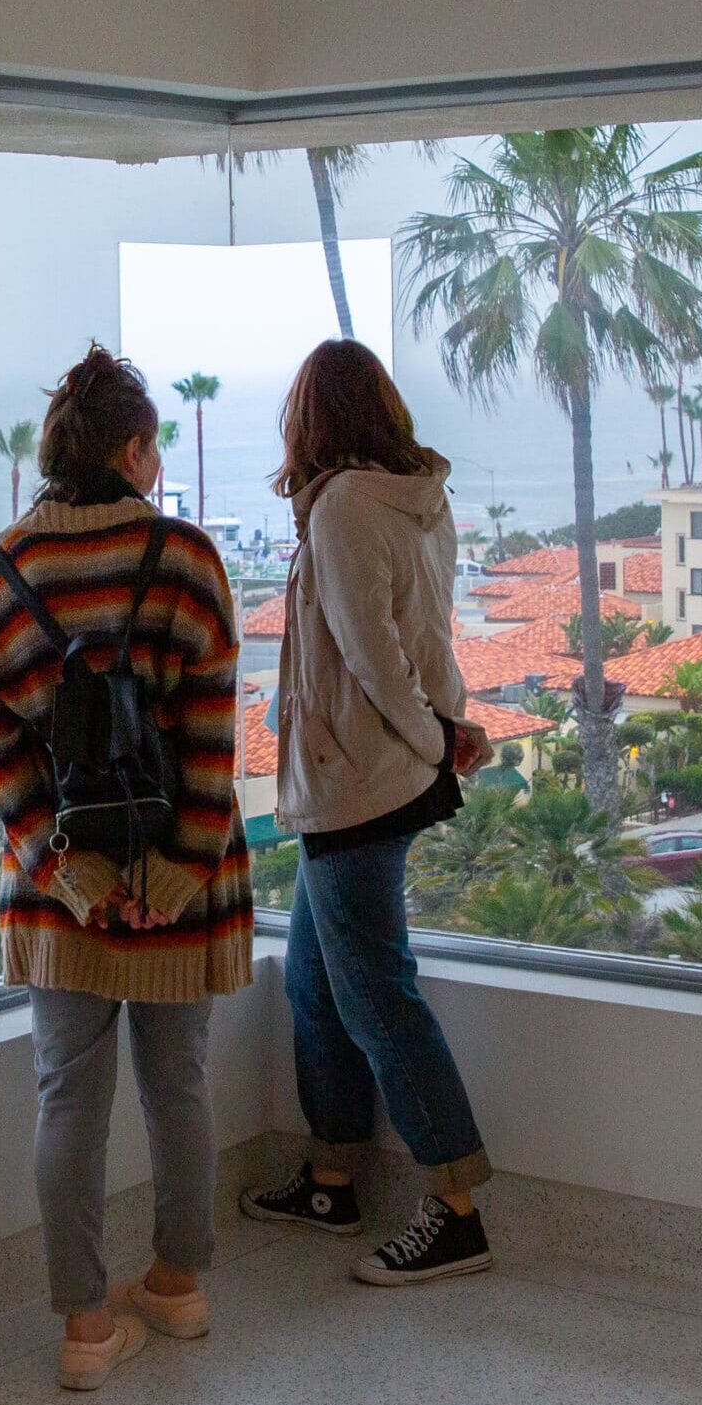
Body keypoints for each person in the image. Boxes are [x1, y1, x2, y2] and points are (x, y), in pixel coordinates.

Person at [0, 344, 250, 1393]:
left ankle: (84, 1326)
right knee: (180, 1086)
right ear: (134, 448)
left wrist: (52, 855)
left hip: (65, 889)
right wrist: (182, 861)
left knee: (67, 1101)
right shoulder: (188, 557)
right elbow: (213, 726)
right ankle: (179, 1282)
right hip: (183, 879)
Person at [240, 339, 497, 1286]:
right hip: (383, 766)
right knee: (316, 981)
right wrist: (449, 724)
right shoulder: (419, 499)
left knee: (378, 994)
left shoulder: (347, 505)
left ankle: (458, 1209)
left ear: (311, 418)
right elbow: (428, 631)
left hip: (360, 777)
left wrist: (434, 739)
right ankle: (333, 1178)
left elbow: (371, 651)